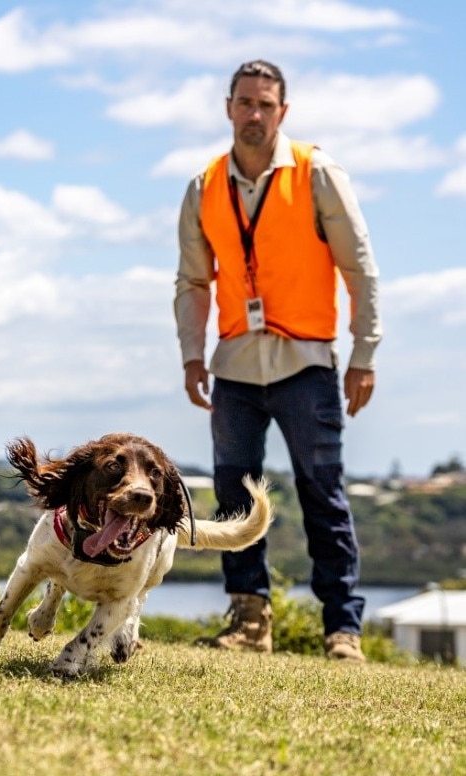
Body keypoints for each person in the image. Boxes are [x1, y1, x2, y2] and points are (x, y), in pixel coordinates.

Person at [174, 60, 382, 661]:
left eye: (266, 104)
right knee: (233, 494)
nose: (255, 114)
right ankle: (248, 621)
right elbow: (192, 281)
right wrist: (193, 356)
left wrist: (363, 355)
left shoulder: (318, 173)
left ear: (282, 112)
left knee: (323, 493)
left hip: (307, 363)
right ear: (228, 108)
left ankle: (342, 629)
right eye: (245, 103)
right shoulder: (203, 185)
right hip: (234, 364)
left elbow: (359, 269)